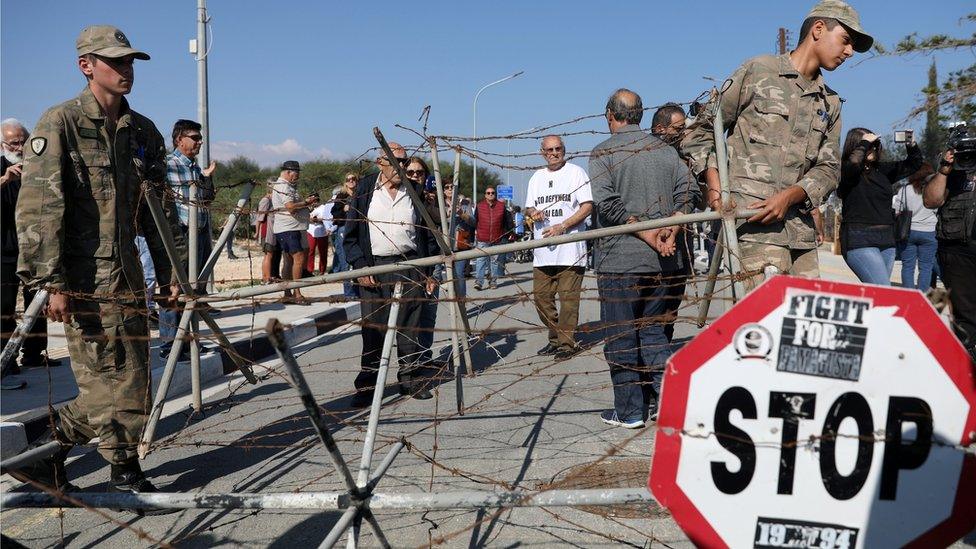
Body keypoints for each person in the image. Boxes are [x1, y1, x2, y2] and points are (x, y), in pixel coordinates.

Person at [14, 25, 186, 496]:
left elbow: (159, 211)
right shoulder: (61, 122)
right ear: (86, 65)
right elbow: (40, 207)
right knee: (109, 382)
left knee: (132, 373)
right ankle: (83, 458)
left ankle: (86, 460)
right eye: (116, 61)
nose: (127, 69)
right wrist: (51, 282)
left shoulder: (143, 132)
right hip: (82, 276)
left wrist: (172, 272)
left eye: (130, 61)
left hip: (128, 273)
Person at [681, 0, 873, 290]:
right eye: (846, 40)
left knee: (805, 327)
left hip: (800, 235)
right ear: (818, 29)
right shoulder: (758, 71)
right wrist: (714, 185)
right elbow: (700, 131)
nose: (848, 52)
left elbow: (830, 168)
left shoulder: (830, 102)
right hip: (752, 225)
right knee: (765, 323)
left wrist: (793, 195)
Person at [589, 89, 700, 429]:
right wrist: (672, 228)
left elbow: (607, 204)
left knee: (622, 335)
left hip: (621, 261)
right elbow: (690, 192)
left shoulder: (603, 152)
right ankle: (670, 402)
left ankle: (631, 411)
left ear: (610, 114)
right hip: (666, 261)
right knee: (654, 334)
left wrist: (648, 233)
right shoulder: (666, 152)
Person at [343, 143, 439, 407]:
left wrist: (427, 271)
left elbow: (428, 236)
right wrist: (362, 267)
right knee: (374, 328)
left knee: (409, 326)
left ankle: (410, 379)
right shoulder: (364, 191)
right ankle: (368, 385)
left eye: (404, 161)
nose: (402, 167)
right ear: (380, 163)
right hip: (374, 269)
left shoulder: (415, 191)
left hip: (409, 267)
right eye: (396, 161)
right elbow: (350, 236)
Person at [525, 135, 593, 361]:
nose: (554, 153)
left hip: (570, 250)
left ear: (564, 149)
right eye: (549, 150)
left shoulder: (576, 173)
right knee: (541, 298)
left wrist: (563, 226)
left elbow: (587, 206)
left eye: (558, 149)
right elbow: (528, 208)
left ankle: (566, 343)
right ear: (542, 153)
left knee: (568, 301)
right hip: (543, 251)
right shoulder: (536, 177)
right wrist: (533, 213)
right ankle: (555, 336)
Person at [2, 119, 56, 389]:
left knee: (38, 302)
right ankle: (6, 360)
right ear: (3, 144)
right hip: (5, 250)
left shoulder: (35, 168)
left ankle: (35, 354)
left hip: (32, 248)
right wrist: (5, 179)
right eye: (14, 142)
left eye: (23, 141)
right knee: (5, 307)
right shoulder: (3, 169)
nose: (20, 147)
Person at [158, 119, 218, 359]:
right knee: (174, 289)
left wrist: (207, 178)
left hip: (201, 231)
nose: (199, 142)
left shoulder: (195, 167)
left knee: (194, 290)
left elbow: (207, 199)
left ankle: (189, 341)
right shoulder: (167, 166)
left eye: (199, 138)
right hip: (180, 233)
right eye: (194, 137)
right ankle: (169, 346)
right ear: (178, 139)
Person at [837, 128, 922, 285]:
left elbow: (915, 163)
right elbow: (854, 162)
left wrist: (911, 144)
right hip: (859, 240)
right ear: (856, 146)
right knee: (883, 289)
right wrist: (865, 141)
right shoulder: (847, 171)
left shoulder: (882, 171)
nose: (874, 148)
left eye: (876, 144)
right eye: (870, 144)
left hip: (887, 241)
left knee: (876, 295)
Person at [924, 137, 976, 361]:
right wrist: (945, 170)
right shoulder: (949, 173)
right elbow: (931, 200)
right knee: (965, 318)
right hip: (956, 250)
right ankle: (963, 367)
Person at [651, 104, 694, 342]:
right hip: (650, 244)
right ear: (660, 129)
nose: (683, 133)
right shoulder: (644, 154)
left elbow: (693, 195)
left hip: (679, 245)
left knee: (671, 307)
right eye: (678, 129)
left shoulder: (686, 155)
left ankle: (662, 348)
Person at [272, 160, 317, 303]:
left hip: (292, 228)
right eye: (296, 173)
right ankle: (297, 294)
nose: (297, 176)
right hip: (289, 229)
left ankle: (287, 294)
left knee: (289, 261)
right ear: (288, 172)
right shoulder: (284, 186)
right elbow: (290, 207)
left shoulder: (288, 186)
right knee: (298, 258)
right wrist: (307, 203)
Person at [893, 163, 939, 289]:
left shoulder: (904, 189)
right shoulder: (934, 189)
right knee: (926, 267)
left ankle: (909, 296)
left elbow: (897, 211)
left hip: (908, 232)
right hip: (929, 231)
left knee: (908, 266)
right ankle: (921, 297)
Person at [472, 186, 513, 290]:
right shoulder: (480, 206)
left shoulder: (501, 206)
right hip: (482, 238)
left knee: (494, 262)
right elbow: (474, 221)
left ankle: (493, 282)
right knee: (481, 260)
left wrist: (508, 234)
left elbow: (506, 222)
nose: (490, 194)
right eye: (488, 193)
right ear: (485, 195)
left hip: (496, 238)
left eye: (492, 193)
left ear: (495, 194)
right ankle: (479, 282)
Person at [331, 172, 358, 297]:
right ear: (345, 182)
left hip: (359, 229)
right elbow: (334, 213)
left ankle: (360, 290)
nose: (351, 181)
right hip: (344, 229)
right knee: (345, 261)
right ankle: (349, 293)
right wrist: (343, 210)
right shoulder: (341, 196)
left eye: (353, 178)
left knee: (358, 261)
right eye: (348, 179)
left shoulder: (361, 194)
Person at [255, 181, 280, 284]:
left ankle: (270, 276)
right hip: (267, 232)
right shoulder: (265, 201)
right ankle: (266, 277)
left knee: (271, 255)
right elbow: (259, 218)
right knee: (268, 255)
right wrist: (257, 233)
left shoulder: (273, 200)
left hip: (273, 232)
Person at [306, 197, 333, 275]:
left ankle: (322, 270)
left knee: (323, 252)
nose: (314, 203)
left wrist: (319, 220)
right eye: (312, 201)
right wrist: (310, 219)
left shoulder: (324, 208)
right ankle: (310, 270)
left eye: (315, 201)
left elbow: (328, 218)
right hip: (311, 231)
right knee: (310, 251)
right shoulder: (307, 208)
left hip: (322, 231)